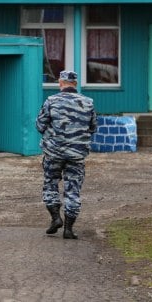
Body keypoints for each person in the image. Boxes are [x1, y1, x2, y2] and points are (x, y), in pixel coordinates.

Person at [35, 70, 96, 239]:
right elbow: (93, 127)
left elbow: (39, 125)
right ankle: (69, 229)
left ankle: (55, 218)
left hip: (53, 153)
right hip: (77, 154)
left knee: (50, 184)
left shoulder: (51, 101)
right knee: (73, 190)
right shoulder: (88, 103)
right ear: (75, 84)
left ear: (60, 83)